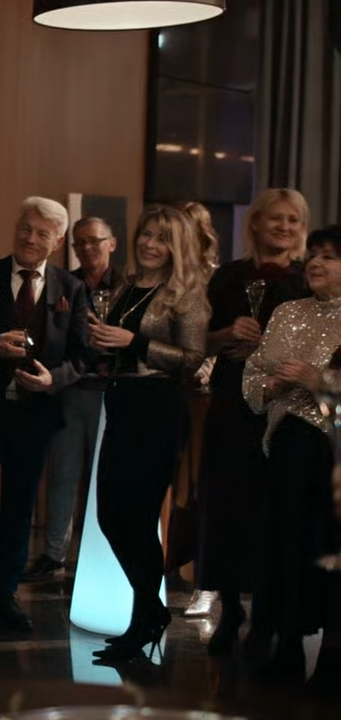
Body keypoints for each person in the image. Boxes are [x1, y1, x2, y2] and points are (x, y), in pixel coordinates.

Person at [0, 197, 91, 635]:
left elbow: (82, 357)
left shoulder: (71, 288)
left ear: (58, 240)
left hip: (37, 415)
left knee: (20, 507)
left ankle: (4, 594)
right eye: (25, 228)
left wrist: (53, 380)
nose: (30, 238)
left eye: (41, 233)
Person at [88, 204, 209, 664]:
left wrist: (135, 343)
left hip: (157, 408)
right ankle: (150, 612)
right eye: (146, 235)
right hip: (121, 401)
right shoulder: (127, 285)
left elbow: (192, 359)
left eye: (161, 238)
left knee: (136, 518)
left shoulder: (186, 293)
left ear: (176, 246)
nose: (150, 244)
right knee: (110, 516)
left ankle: (145, 617)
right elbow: (118, 344)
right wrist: (103, 343)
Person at [190, 190, 310, 652]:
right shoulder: (227, 277)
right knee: (225, 509)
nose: (284, 227)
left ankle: (265, 615)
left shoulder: (308, 279)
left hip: (285, 412)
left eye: (293, 220)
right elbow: (197, 341)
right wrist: (225, 334)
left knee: (273, 515)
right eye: (275, 218)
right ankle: (229, 609)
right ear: (255, 223)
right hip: (231, 408)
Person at [242, 225, 341, 684]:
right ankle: (284, 643)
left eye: (330, 257)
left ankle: (332, 656)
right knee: (282, 547)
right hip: (289, 446)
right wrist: (270, 385)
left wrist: (318, 382)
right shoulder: (287, 312)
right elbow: (253, 375)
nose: (316, 263)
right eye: (314, 255)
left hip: (333, 451)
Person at [25, 217, 120, 582]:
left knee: (105, 478)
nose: (87, 248)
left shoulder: (128, 286)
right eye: (79, 243)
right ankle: (54, 554)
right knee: (62, 473)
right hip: (70, 388)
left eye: (94, 241)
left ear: (111, 243)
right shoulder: (64, 283)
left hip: (111, 392)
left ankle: (103, 554)